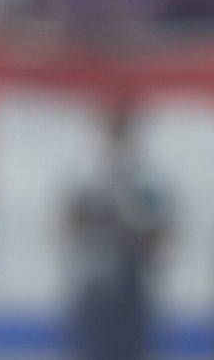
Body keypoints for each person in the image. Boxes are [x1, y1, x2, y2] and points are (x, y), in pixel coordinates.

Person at [64, 101, 169, 360]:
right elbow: (69, 228)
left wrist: (129, 226)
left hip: (131, 289)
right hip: (95, 289)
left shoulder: (146, 186)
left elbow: (159, 237)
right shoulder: (88, 186)